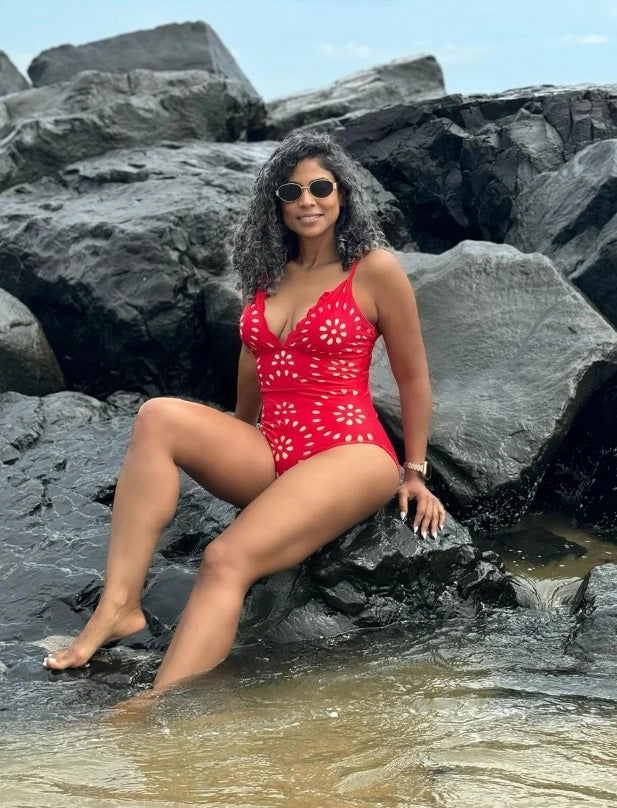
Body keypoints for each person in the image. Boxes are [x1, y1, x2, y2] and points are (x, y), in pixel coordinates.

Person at [42, 131, 445, 693]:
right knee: (158, 416)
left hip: (350, 453)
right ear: (275, 202)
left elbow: (413, 377)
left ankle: (156, 709)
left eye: (321, 188)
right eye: (292, 191)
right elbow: (254, 355)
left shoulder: (374, 269)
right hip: (273, 447)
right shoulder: (268, 272)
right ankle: (119, 607)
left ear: (342, 194)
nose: (307, 201)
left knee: (225, 558)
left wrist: (415, 472)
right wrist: (233, 430)